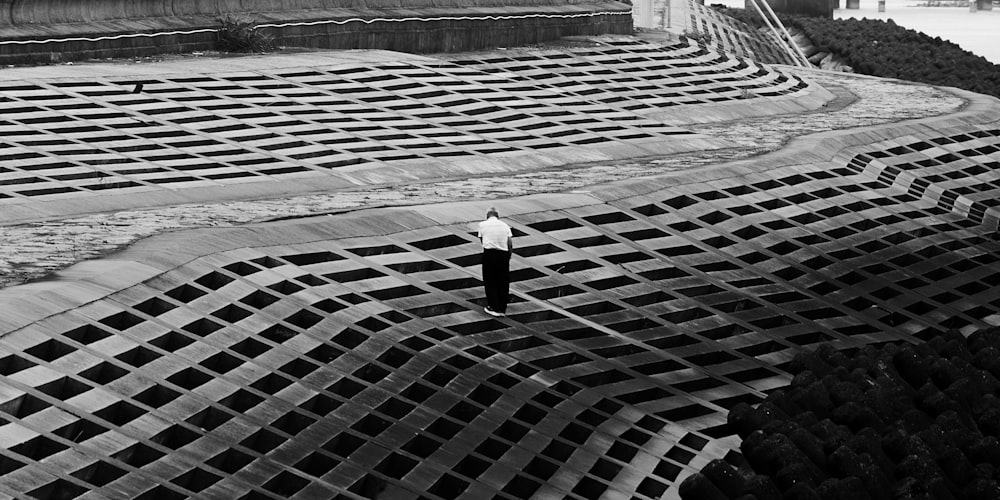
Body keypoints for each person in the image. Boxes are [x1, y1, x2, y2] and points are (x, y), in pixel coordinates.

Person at [477, 207, 513, 317]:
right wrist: (508, 256)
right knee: (503, 282)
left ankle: (493, 307)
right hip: (503, 254)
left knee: (490, 281)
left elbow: (482, 241)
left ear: (487, 216)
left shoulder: (482, 225)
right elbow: (510, 243)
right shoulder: (505, 225)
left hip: (490, 254)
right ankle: (502, 308)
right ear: (498, 216)